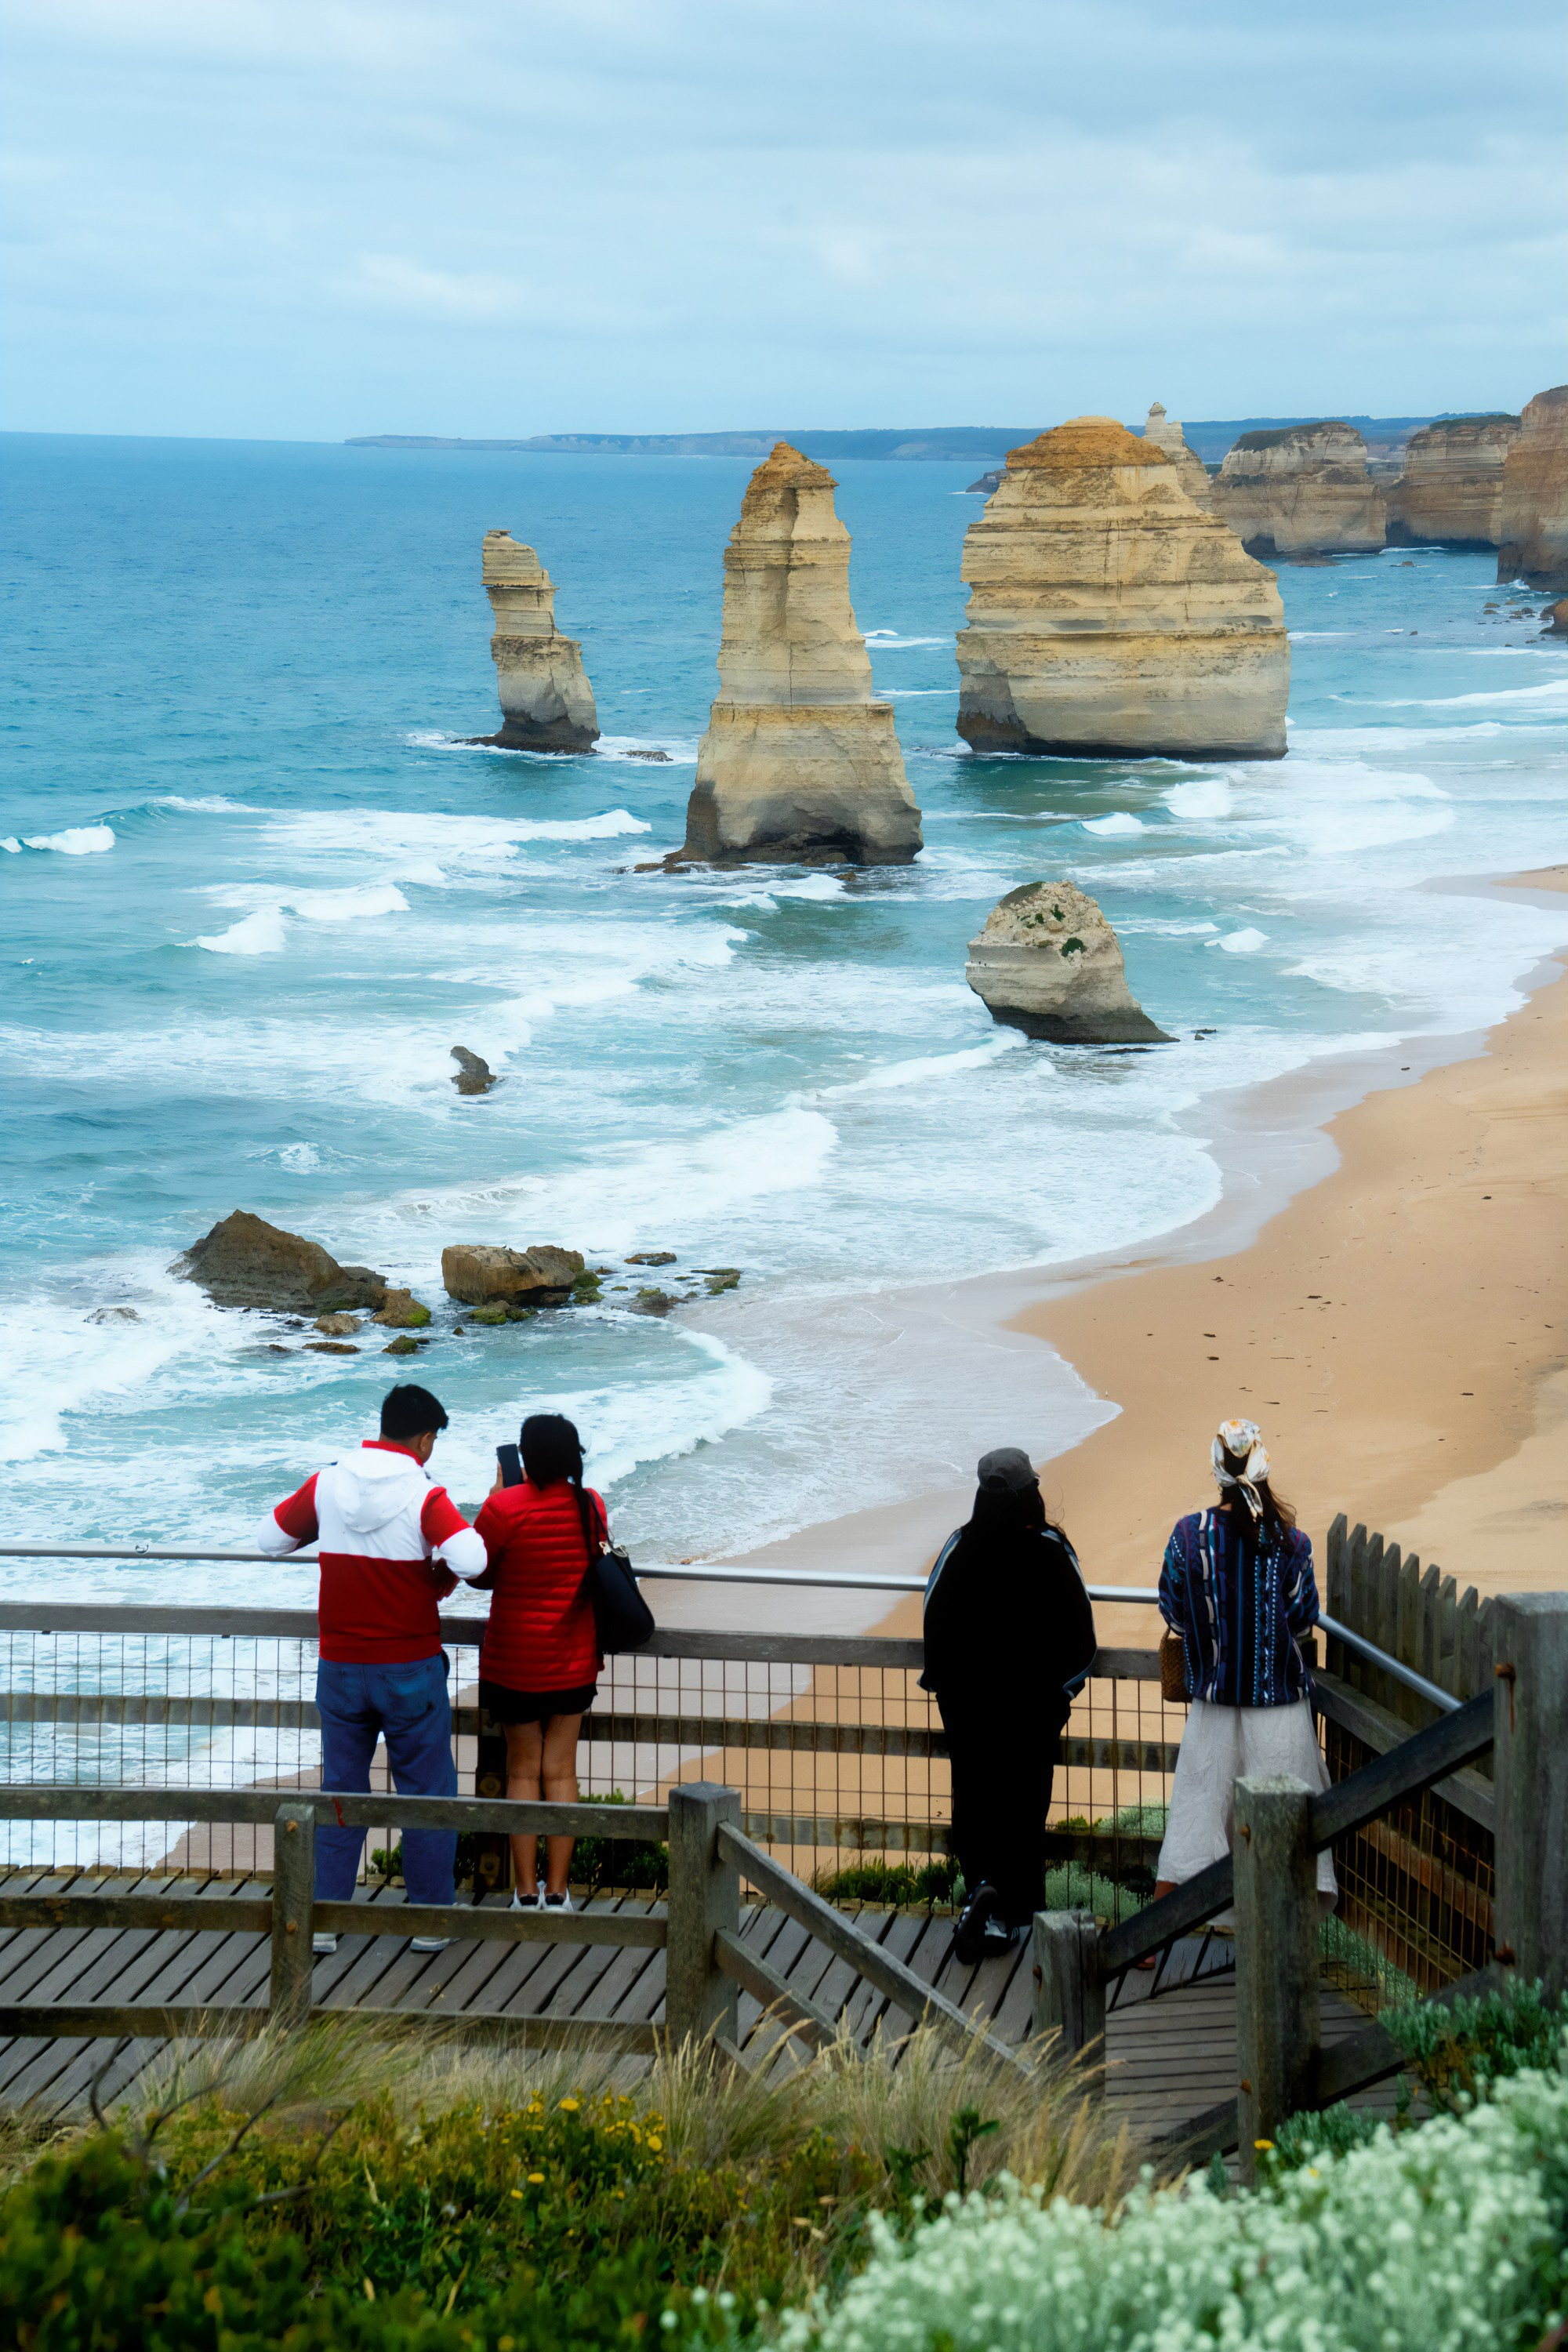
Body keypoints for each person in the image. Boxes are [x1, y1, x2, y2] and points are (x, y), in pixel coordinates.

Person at [256, 1382, 488, 1955]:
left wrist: (327, 1529)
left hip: (340, 1666)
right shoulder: (425, 1494)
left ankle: (324, 1918)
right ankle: (429, 1921)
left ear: (383, 1426)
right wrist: (437, 1567)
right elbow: (473, 1559)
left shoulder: (328, 1481)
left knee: (340, 1790)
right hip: (409, 1667)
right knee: (426, 1793)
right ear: (426, 1439)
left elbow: (270, 1540)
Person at [1153, 1417, 1337, 1933]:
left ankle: (1150, 1941)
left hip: (1213, 1705)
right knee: (1286, 1829)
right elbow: (1303, 1618)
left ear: (1217, 1471)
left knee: (1194, 1819)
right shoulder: (1292, 1542)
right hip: (1279, 1710)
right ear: (1263, 1465)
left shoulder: (1188, 1535)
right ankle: (1280, 1941)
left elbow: (1173, 1610)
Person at [921, 1446, 1097, 1965]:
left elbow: (933, 1618)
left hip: (968, 1708)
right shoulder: (1051, 1549)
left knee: (974, 1799)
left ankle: (982, 1896)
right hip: (1033, 1711)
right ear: (1031, 1494)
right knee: (1025, 1804)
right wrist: (1061, 1695)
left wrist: (945, 1690)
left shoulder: (961, 1545)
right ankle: (1016, 1914)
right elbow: (1083, 1638)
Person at [472, 1412, 607, 1911]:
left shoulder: (503, 1507)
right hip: (573, 1660)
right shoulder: (590, 1504)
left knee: (523, 1770)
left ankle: (524, 1892)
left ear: (525, 1458)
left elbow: (478, 1574)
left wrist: (495, 1496)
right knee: (562, 1770)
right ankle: (558, 1891)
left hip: (514, 1663)